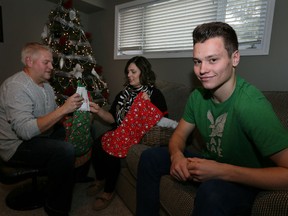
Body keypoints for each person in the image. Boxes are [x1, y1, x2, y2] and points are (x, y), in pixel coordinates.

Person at [136, 22, 288, 216]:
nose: (202, 70)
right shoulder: (197, 97)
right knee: (150, 157)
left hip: (244, 180)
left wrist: (222, 171)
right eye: (197, 61)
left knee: (211, 193)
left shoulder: (251, 105)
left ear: (235, 58)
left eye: (213, 60)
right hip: (210, 162)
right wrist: (177, 156)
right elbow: (179, 136)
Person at [0, 42, 84, 216]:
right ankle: (56, 208)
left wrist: (68, 115)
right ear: (29, 61)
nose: (51, 67)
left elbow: (51, 116)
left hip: (37, 136)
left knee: (70, 131)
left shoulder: (46, 86)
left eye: (51, 63)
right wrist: (63, 109)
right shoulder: (16, 86)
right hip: (16, 145)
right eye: (46, 62)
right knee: (65, 151)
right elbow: (24, 131)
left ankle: (59, 178)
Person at [88, 56, 168, 211]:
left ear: (143, 72)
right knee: (98, 143)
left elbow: (163, 122)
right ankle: (100, 179)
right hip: (120, 130)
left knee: (112, 148)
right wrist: (99, 111)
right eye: (128, 72)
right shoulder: (123, 94)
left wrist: (147, 105)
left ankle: (108, 191)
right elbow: (112, 119)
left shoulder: (154, 94)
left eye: (133, 71)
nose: (129, 75)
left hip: (139, 135)